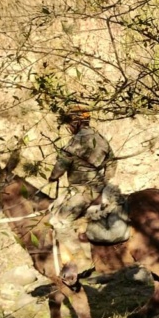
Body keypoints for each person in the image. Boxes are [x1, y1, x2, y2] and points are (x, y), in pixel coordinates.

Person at [47, 105, 113, 275]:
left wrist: (53, 177)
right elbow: (112, 163)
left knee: (59, 222)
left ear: (76, 123)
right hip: (98, 186)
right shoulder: (101, 139)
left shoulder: (75, 142)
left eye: (69, 124)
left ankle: (83, 261)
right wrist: (104, 181)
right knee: (52, 207)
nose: (68, 128)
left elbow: (61, 165)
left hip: (82, 190)